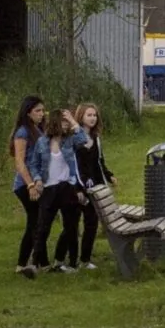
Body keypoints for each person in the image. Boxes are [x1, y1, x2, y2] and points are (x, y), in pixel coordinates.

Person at [52, 102, 114, 270]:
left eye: (95, 115)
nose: (93, 118)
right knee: (71, 226)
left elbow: (99, 162)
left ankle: (85, 259)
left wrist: (109, 176)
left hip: (93, 187)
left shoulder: (96, 138)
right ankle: (59, 260)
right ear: (81, 117)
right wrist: (77, 188)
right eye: (89, 115)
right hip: (75, 187)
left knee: (91, 223)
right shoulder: (72, 138)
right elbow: (72, 165)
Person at [33, 109, 91, 273]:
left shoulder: (70, 140)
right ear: (55, 122)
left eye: (67, 122)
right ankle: (36, 262)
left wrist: (74, 122)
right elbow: (34, 164)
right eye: (63, 121)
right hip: (48, 188)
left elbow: (84, 140)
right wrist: (36, 179)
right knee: (43, 227)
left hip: (66, 186)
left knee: (71, 226)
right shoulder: (42, 142)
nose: (66, 125)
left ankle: (73, 263)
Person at [9, 95, 51, 278]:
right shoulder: (23, 132)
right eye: (37, 111)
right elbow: (19, 162)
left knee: (41, 222)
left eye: (43, 110)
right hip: (25, 184)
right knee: (35, 222)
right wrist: (30, 185)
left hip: (39, 182)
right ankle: (22, 263)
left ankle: (42, 262)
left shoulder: (38, 129)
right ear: (28, 113)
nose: (41, 114)